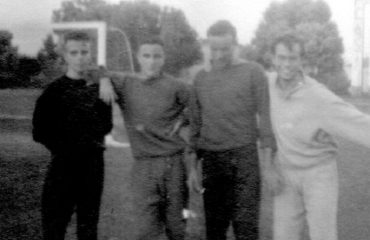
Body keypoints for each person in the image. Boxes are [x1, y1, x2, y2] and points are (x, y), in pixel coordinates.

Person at [267, 33, 370, 240]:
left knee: (323, 236)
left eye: (293, 58)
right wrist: (268, 166)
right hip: (285, 173)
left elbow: (359, 124)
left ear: (301, 60)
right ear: (273, 58)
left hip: (318, 174)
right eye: (282, 57)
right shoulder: (266, 84)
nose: (286, 64)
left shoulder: (318, 96)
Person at [187, 20, 276, 240]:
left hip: (244, 160)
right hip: (213, 162)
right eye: (214, 49)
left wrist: (267, 167)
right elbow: (195, 127)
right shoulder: (200, 78)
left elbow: (266, 121)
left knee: (246, 229)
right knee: (215, 230)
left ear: (235, 45)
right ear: (208, 46)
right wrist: (191, 168)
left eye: (224, 49)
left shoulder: (253, 72)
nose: (218, 55)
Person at [99, 36, 190, 240]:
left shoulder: (175, 86)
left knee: (176, 227)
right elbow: (91, 69)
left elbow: (199, 104)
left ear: (164, 58)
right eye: (146, 56)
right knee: (145, 230)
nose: (152, 61)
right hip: (143, 166)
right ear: (138, 58)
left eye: (157, 56)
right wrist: (104, 79)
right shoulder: (126, 83)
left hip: (173, 164)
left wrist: (184, 119)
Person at [32, 31, 112, 240]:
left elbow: (106, 125)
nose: (79, 57)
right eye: (74, 52)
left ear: (90, 54)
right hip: (63, 166)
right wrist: (64, 146)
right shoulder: (53, 92)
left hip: (92, 166)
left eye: (84, 52)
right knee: (55, 225)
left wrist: (103, 78)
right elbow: (39, 131)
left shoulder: (100, 90)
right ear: (65, 55)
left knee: (88, 226)